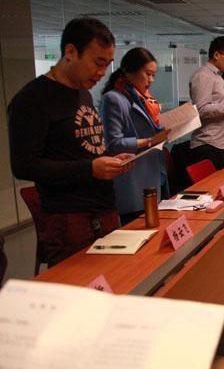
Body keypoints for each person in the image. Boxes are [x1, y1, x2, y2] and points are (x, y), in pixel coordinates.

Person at [8, 17, 133, 266]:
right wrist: (90, 169)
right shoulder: (32, 99)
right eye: (97, 62)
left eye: (107, 64)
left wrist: (109, 160)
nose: (102, 73)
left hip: (103, 209)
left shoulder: (82, 93)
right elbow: (24, 165)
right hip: (69, 219)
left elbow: (82, 147)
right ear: (70, 52)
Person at [100, 47, 169, 225]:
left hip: (152, 172)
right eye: (148, 74)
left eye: (153, 75)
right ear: (130, 71)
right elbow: (113, 143)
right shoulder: (113, 98)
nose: (151, 80)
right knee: (137, 228)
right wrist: (149, 141)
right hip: (133, 177)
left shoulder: (143, 98)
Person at [189, 36, 224, 170]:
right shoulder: (203, 76)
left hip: (222, 142)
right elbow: (201, 110)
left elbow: (220, 107)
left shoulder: (218, 77)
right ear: (216, 55)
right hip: (208, 144)